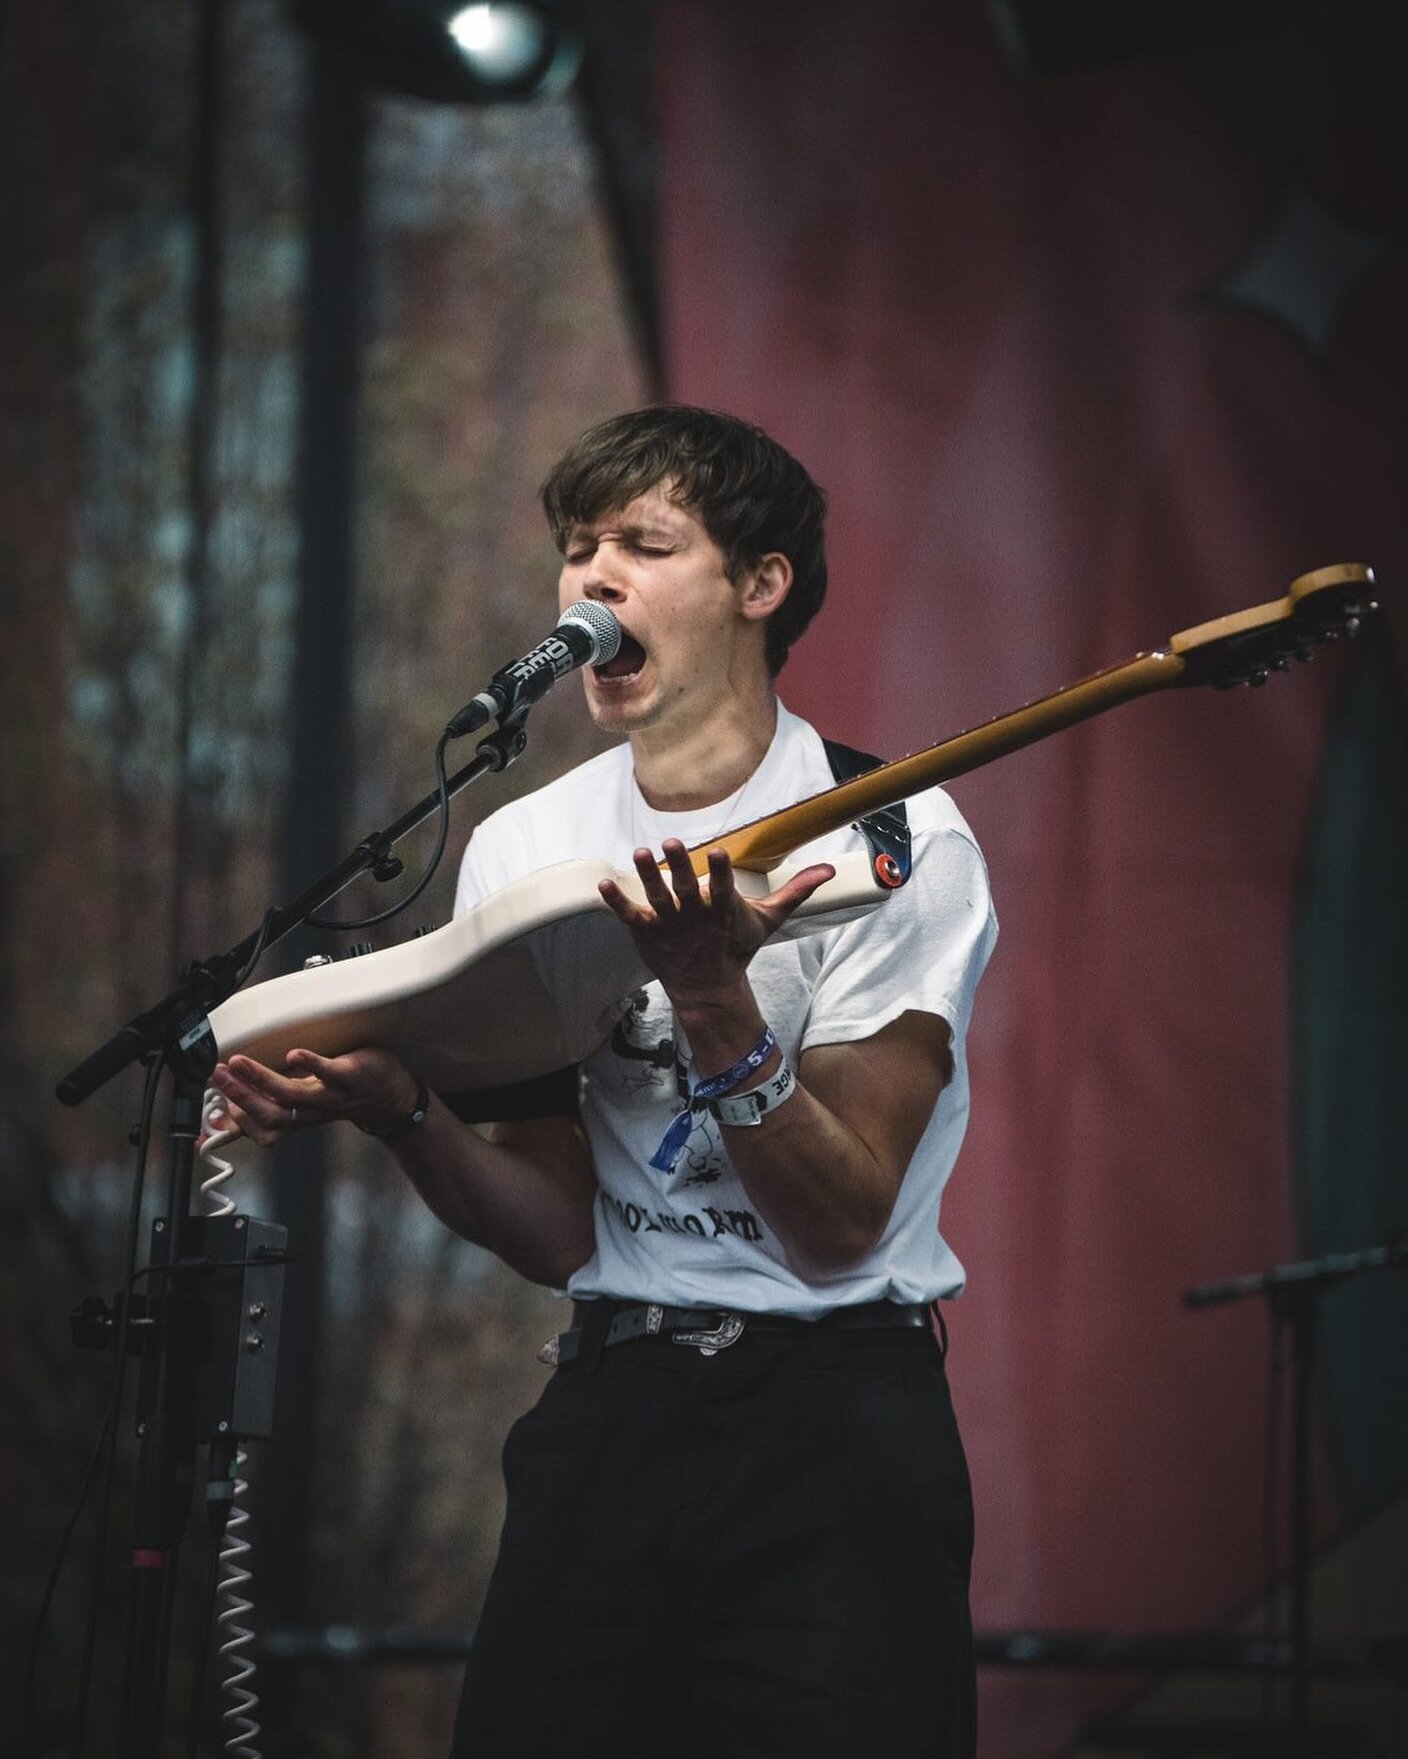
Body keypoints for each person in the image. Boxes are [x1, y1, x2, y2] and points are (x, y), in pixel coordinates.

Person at [208, 405, 997, 1758]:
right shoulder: (532, 846)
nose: (593, 578)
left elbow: (837, 1224)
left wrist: (709, 998)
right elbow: (562, 1230)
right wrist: (402, 1111)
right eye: (579, 547)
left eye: (645, 541)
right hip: (614, 1403)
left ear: (761, 584)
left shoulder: (896, 834)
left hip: (836, 1425)